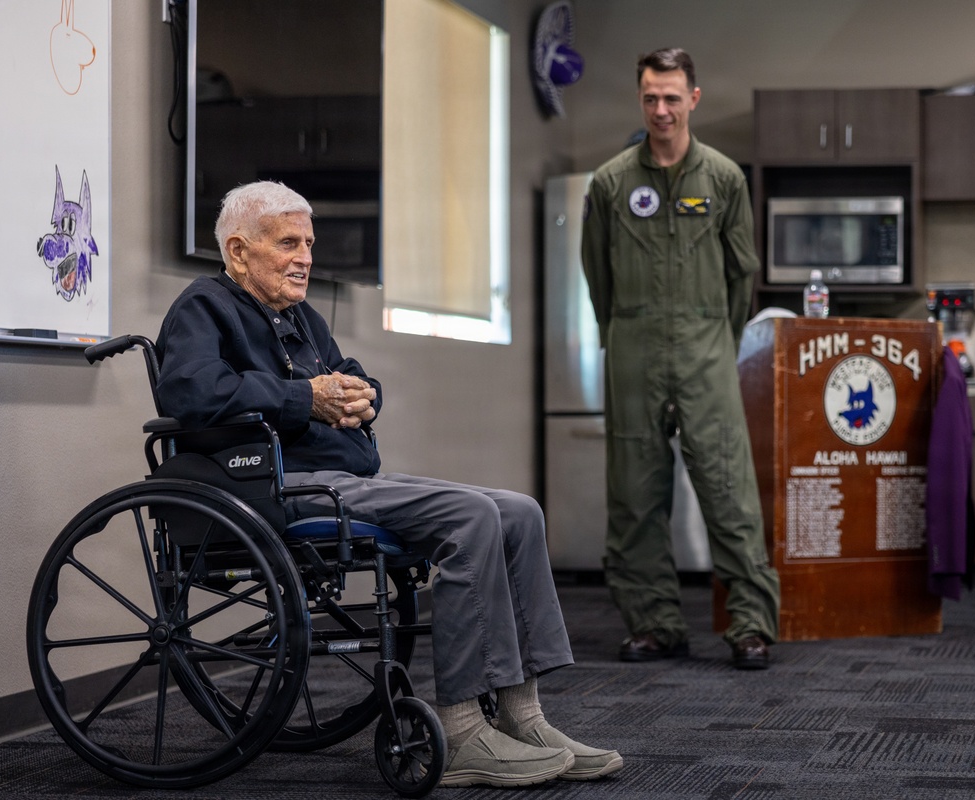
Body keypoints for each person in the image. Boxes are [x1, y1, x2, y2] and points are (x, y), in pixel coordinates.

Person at [154, 180, 622, 788]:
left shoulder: (300, 317)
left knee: (518, 511)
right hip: (276, 485)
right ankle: (461, 729)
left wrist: (362, 394)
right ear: (239, 251)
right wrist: (304, 398)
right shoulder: (203, 306)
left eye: (309, 244)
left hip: (342, 477)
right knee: (471, 515)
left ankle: (522, 716)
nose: (305, 257)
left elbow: (345, 373)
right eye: (289, 243)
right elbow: (189, 393)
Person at [580, 48, 780, 670]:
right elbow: (597, 274)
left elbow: (742, 272)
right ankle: (654, 623)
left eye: (671, 97)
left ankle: (751, 623)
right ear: (640, 99)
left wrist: (715, 336)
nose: (661, 109)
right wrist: (622, 333)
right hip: (634, 349)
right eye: (650, 98)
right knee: (634, 494)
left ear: (693, 98)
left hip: (705, 347)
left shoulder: (724, 178)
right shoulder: (611, 182)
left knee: (728, 488)